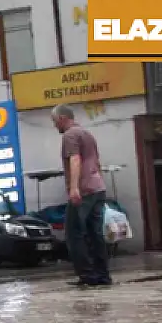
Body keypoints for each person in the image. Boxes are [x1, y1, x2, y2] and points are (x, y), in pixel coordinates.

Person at [52, 104, 112, 287]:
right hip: (97, 188)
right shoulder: (87, 134)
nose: (55, 126)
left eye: (55, 121)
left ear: (62, 118)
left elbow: (75, 160)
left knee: (74, 234)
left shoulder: (70, 135)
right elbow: (96, 161)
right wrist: (100, 183)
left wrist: (74, 188)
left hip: (84, 190)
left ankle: (87, 276)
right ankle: (103, 275)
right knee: (95, 234)